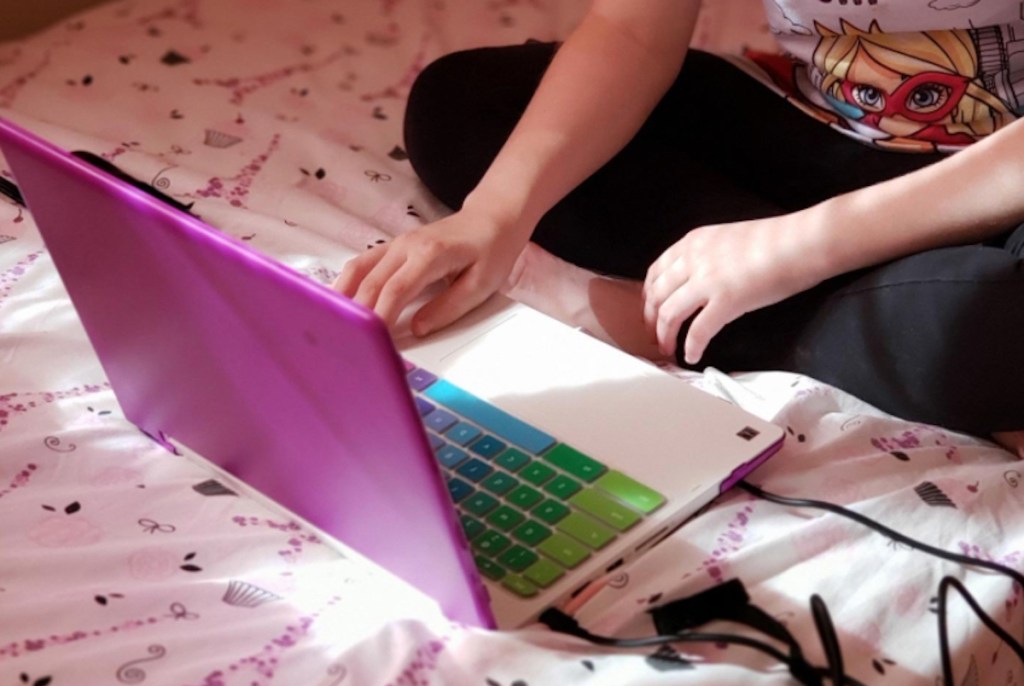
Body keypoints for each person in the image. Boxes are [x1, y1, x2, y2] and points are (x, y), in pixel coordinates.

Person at [334, 1, 1024, 455]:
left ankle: (659, 314)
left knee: (998, 329)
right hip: (820, 128)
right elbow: (633, 31)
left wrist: (800, 246)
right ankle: (740, 298)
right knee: (462, 106)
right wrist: (494, 216)